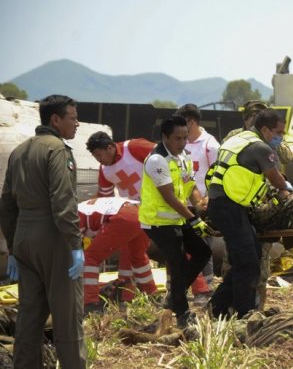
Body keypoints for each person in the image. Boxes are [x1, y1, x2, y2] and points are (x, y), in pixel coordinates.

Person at [0, 94, 86, 368]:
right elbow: (63, 202)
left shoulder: (20, 151)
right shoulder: (58, 150)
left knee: (29, 315)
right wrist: (75, 245)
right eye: (72, 118)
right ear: (55, 119)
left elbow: (7, 204)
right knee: (67, 316)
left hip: (24, 239)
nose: (77, 123)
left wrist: (13, 249)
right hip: (54, 239)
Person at [86, 131, 212, 305]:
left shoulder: (134, 147)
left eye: (100, 155)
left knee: (177, 249)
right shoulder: (105, 170)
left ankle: (201, 291)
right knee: (131, 253)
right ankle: (136, 296)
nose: (99, 160)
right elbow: (104, 197)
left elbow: (166, 159)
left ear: (110, 147)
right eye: (95, 157)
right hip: (135, 214)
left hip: (162, 208)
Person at [206, 109, 291, 318]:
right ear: (265, 129)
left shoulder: (239, 139)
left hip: (226, 205)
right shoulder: (260, 147)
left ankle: (217, 308)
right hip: (229, 208)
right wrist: (287, 189)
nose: (280, 137)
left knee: (247, 257)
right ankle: (244, 314)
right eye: (278, 132)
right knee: (249, 264)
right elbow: (277, 180)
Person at [138, 115, 213, 327]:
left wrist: (200, 204)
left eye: (184, 138)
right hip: (158, 222)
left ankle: (174, 295)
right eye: (177, 139)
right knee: (178, 264)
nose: (182, 143)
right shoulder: (156, 160)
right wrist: (193, 219)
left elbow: (190, 187)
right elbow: (169, 196)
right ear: (165, 137)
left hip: (177, 218)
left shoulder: (184, 157)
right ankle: (182, 313)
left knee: (203, 252)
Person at [79, 197, 157, 314]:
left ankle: (90, 303)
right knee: (138, 257)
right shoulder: (81, 208)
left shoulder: (70, 217)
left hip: (123, 216)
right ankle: (152, 295)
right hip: (141, 213)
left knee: (90, 258)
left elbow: (73, 249)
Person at [174, 103, 220, 295]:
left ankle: (206, 289)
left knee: (203, 247)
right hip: (180, 205)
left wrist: (208, 200)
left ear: (191, 122)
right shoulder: (178, 144)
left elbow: (218, 176)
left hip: (202, 206)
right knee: (181, 248)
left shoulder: (210, 145)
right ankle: (184, 288)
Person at [224, 100, 293, 166]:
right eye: (254, 116)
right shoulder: (234, 135)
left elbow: (287, 159)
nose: (258, 120)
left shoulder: (272, 135)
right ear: (246, 119)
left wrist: (276, 144)